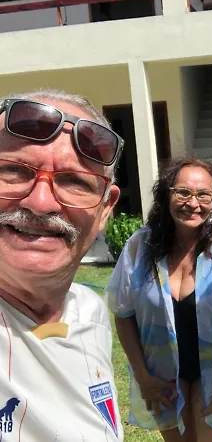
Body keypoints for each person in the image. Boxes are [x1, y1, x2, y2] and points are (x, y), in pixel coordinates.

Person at [106, 157, 212, 442]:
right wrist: (143, 378)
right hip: (161, 375)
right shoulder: (140, 247)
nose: (193, 203)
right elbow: (123, 314)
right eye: (183, 192)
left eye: (204, 194)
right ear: (166, 195)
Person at [0, 90, 124, 440]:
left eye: (74, 182)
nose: (41, 203)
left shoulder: (90, 311)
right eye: (14, 171)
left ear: (104, 210)